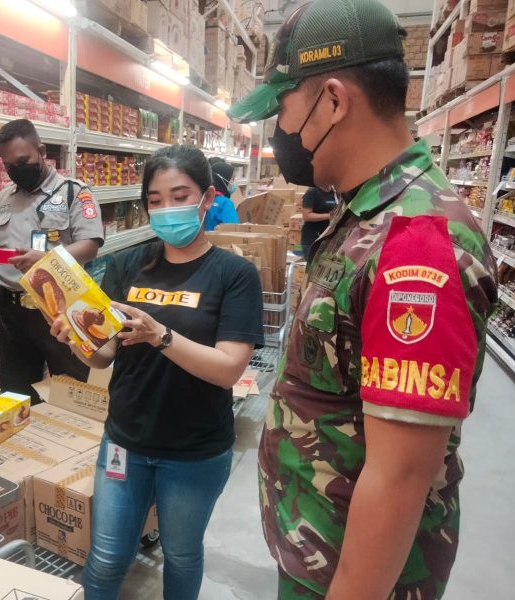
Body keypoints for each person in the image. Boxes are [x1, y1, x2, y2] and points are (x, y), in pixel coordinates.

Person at [228, 0, 498, 598]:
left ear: (332, 100)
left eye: (283, 108)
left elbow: (401, 476)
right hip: (317, 548)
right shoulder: (364, 213)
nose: (278, 133)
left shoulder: (417, 244)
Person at [49, 145, 265, 599]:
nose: (166, 209)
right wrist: (77, 341)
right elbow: (105, 355)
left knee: (182, 555)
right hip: (125, 439)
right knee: (106, 558)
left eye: (179, 195)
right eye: (155, 200)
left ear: (207, 199)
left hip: (195, 450)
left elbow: (228, 369)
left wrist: (160, 336)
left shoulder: (235, 274)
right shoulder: (129, 264)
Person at [0, 119, 104, 402]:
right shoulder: (2, 199)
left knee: (73, 386)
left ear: (41, 151)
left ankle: (75, 443)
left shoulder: (74, 192)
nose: (16, 170)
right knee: (16, 389)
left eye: (23, 160)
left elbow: (90, 245)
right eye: (9, 165)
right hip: (11, 307)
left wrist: (48, 259)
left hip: (59, 302)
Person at [300, 186, 337, 259]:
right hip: (312, 237)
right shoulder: (312, 192)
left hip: (327, 235)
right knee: (311, 263)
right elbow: (306, 215)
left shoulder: (334, 192)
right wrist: (329, 216)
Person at [204, 159, 240, 231]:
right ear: (223, 179)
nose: (233, 183)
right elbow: (234, 231)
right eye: (232, 179)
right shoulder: (225, 203)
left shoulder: (204, 199)